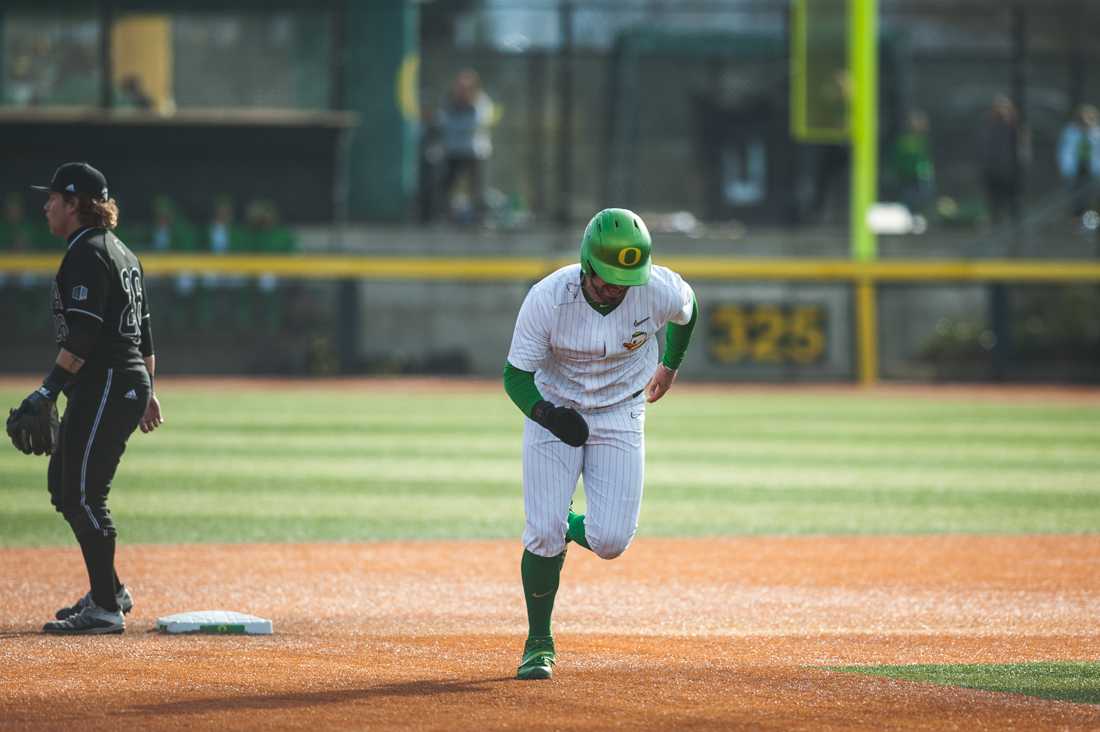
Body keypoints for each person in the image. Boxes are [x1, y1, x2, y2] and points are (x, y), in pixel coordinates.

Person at [503, 208, 698, 680]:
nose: (617, 287)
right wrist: (546, 415)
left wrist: (670, 365)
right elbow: (516, 376)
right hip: (556, 409)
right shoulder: (548, 298)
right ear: (587, 265)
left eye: (626, 278)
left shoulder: (657, 288)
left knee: (611, 541)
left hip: (620, 410)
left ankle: (570, 523)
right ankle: (538, 643)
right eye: (609, 278)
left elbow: (689, 310)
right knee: (542, 531)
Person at [6, 162, 164, 634]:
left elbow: (86, 332)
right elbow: (146, 336)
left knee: (84, 494)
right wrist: (148, 390)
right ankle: (108, 590)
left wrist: (46, 389)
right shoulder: (122, 252)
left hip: (108, 382)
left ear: (75, 204)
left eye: (54, 197)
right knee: (64, 486)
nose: (46, 205)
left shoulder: (87, 253)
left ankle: (106, 611)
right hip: (119, 381)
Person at [438, 69, 495, 223]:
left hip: (476, 152)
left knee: (478, 188)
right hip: (453, 152)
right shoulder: (448, 102)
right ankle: (444, 218)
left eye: (467, 87)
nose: (463, 91)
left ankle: (481, 219)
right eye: (460, 86)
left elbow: (477, 123)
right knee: (446, 186)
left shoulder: (482, 102)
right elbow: (443, 122)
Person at [979, 94, 1027, 226]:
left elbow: (1023, 150)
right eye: (999, 107)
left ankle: (1016, 228)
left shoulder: (1017, 127)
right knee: (995, 204)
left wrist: (1020, 166)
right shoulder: (989, 126)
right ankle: (996, 226)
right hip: (993, 171)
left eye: (1005, 108)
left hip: (1012, 171)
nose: (1002, 111)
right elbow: (985, 148)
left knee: (1014, 203)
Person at [1056, 104, 1100, 227]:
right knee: (1076, 194)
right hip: (1075, 167)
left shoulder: (1096, 133)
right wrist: (1065, 167)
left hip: (1093, 168)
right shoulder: (1071, 131)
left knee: (1091, 194)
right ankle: (1076, 218)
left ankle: (1090, 219)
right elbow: (1064, 150)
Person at [888, 109, 935, 217]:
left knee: (923, 198)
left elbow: (926, 158)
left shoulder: (924, 140)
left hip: (922, 176)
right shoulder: (904, 141)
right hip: (907, 177)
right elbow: (899, 159)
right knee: (909, 199)